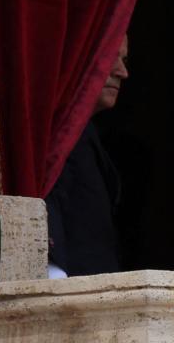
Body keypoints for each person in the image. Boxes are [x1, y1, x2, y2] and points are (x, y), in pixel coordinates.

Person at [45, 36, 130, 279]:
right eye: (111, 56)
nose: (122, 72)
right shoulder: (58, 130)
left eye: (123, 59)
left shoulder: (84, 132)